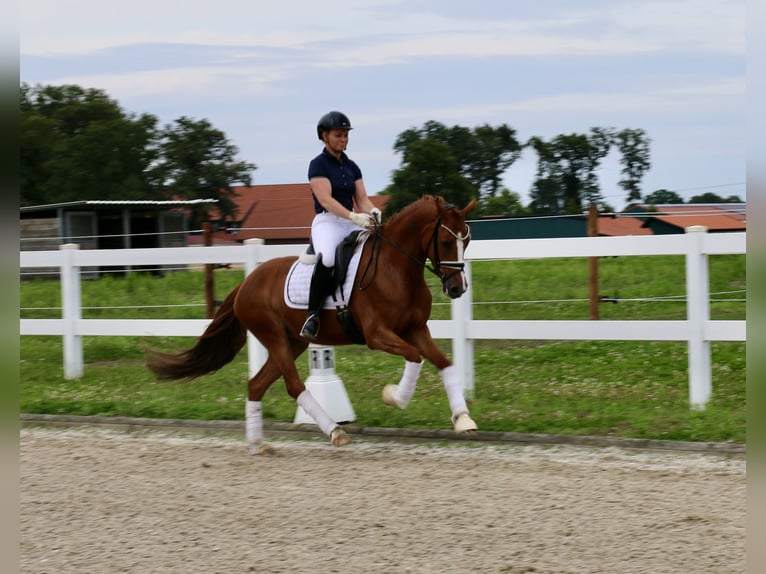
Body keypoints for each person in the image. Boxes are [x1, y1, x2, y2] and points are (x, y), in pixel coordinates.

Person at [300, 110, 381, 340]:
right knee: (326, 258)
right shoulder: (318, 165)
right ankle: (312, 316)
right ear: (324, 136)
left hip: (350, 220)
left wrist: (373, 212)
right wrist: (353, 217)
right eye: (338, 135)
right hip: (328, 221)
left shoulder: (352, 166)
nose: (343, 139)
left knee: (375, 248)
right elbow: (325, 199)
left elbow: (362, 199)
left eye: (346, 135)